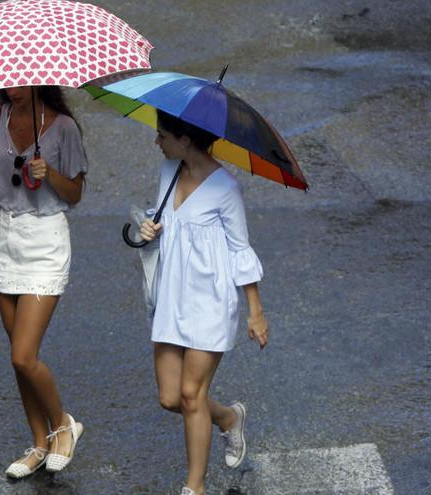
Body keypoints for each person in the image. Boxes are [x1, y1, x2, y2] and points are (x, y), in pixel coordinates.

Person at [139, 110, 269, 495]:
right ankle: (228, 418)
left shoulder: (225, 187)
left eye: (162, 134)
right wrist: (150, 229)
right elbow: (164, 224)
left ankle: (194, 488)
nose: (156, 141)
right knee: (170, 397)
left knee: (192, 395)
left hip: (210, 301)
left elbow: (240, 250)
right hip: (171, 297)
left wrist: (255, 312)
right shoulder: (168, 171)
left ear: (185, 140)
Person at [0, 86, 87, 478]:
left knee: (24, 353)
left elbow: (75, 193)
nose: (11, 90)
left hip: (46, 240)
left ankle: (63, 424)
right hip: (6, 236)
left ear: (38, 80)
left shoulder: (64, 128)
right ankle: (39, 443)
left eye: (19, 84)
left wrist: (48, 172)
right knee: (17, 359)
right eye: (6, 84)